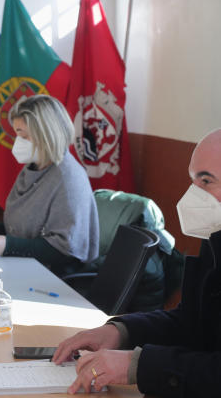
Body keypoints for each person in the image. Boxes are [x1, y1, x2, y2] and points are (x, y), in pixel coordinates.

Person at [52, 128, 221, 397]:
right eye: (192, 180)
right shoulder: (214, 238)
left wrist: (139, 366)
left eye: (206, 180)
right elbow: (190, 322)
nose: (192, 193)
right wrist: (122, 331)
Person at [0, 95, 99, 277]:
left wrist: (9, 245)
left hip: (56, 277)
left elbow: (64, 248)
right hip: (27, 266)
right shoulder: (34, 168)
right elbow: (26, 229)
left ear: (48, 135)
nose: (18, 143)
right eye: (17, 134)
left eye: (24, 136)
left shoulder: (68, 177)